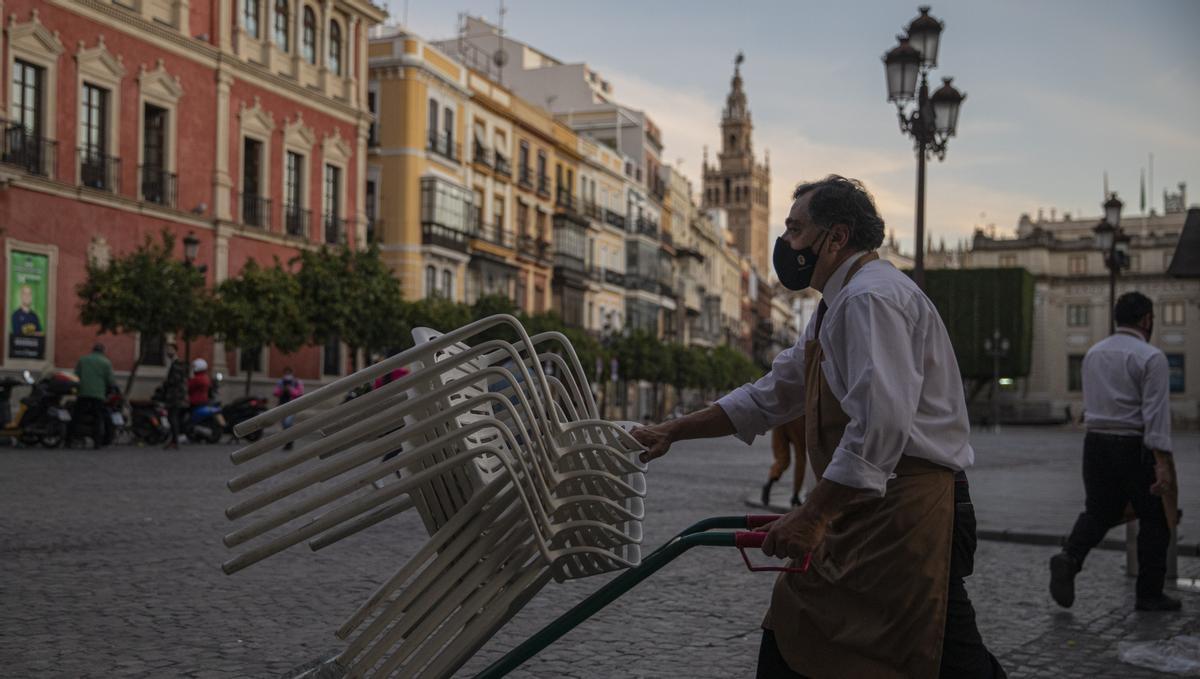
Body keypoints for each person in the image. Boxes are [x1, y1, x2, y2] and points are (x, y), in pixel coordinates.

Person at [632, 176, 1005, 678]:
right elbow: (774, 391)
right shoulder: (838, 303)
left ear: (836, 237)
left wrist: (811, 515)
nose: (785, 243)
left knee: (934, 649)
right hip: (869, 511)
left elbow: (880, 427)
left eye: (795, 229)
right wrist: (672, 430)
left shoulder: (868, 299)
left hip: (910, 514)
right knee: (799, 632)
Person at [1050, 292, 1179, 612]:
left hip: (1095, 443)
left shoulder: (1093, 353)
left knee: (1099, 511)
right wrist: (1161, 462)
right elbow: (1155, 414)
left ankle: (1070, 558)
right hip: (1134, 445)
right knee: (1156, 519)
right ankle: (1149, 593)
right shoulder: (1151, 357)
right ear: (1147, 320)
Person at [74, 342, 116, 449]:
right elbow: (110, 380)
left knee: (77, 415)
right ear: (103, 351)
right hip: (98, 394)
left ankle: (72, 438)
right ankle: (97, 443)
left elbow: (76, 375)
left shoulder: (83, 360)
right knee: (98, 418)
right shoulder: (106, 362)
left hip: (83, 393)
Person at [763, 417, 806, 507]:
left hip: (781, 419)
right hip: (797, 417)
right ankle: (795, 494)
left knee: (782, 459)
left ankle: (769, 483)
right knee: (801, 458)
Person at [161, 343, 188, 449]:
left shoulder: (177, 364)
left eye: (170, 349)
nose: (168, 351)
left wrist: (166, 383)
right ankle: (173, 439)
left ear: (175, 350)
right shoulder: (173, 363)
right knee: (172, 417)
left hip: (175, 396)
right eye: (167, 349)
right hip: (175, 395)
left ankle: (175, 441)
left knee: (173, 418)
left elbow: (175, 380)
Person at [274, 367, 304, 451]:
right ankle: (288, 442)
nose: (287, 375)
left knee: (288, 423)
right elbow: (275, 392)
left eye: (289, 373)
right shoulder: (281, 382)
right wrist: (282, 389)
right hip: (282, 406)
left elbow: (300, 393)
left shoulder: (296, 382)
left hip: (292, 406)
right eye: (286, 373)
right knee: (285, 425)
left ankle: (289, 442)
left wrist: (290, 389)